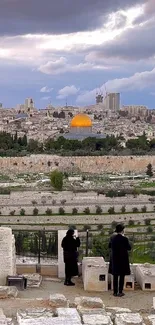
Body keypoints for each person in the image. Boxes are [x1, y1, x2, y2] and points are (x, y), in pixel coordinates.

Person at [108, 224, 131, 297]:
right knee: (122, 276)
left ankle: (115, 292)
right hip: (123, 259)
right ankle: (120, 291)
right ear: (122, 230)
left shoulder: (113, 238)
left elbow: (109, 246)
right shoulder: (124, 239)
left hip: (115, 258)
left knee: (115, 276)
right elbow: (129, 248)